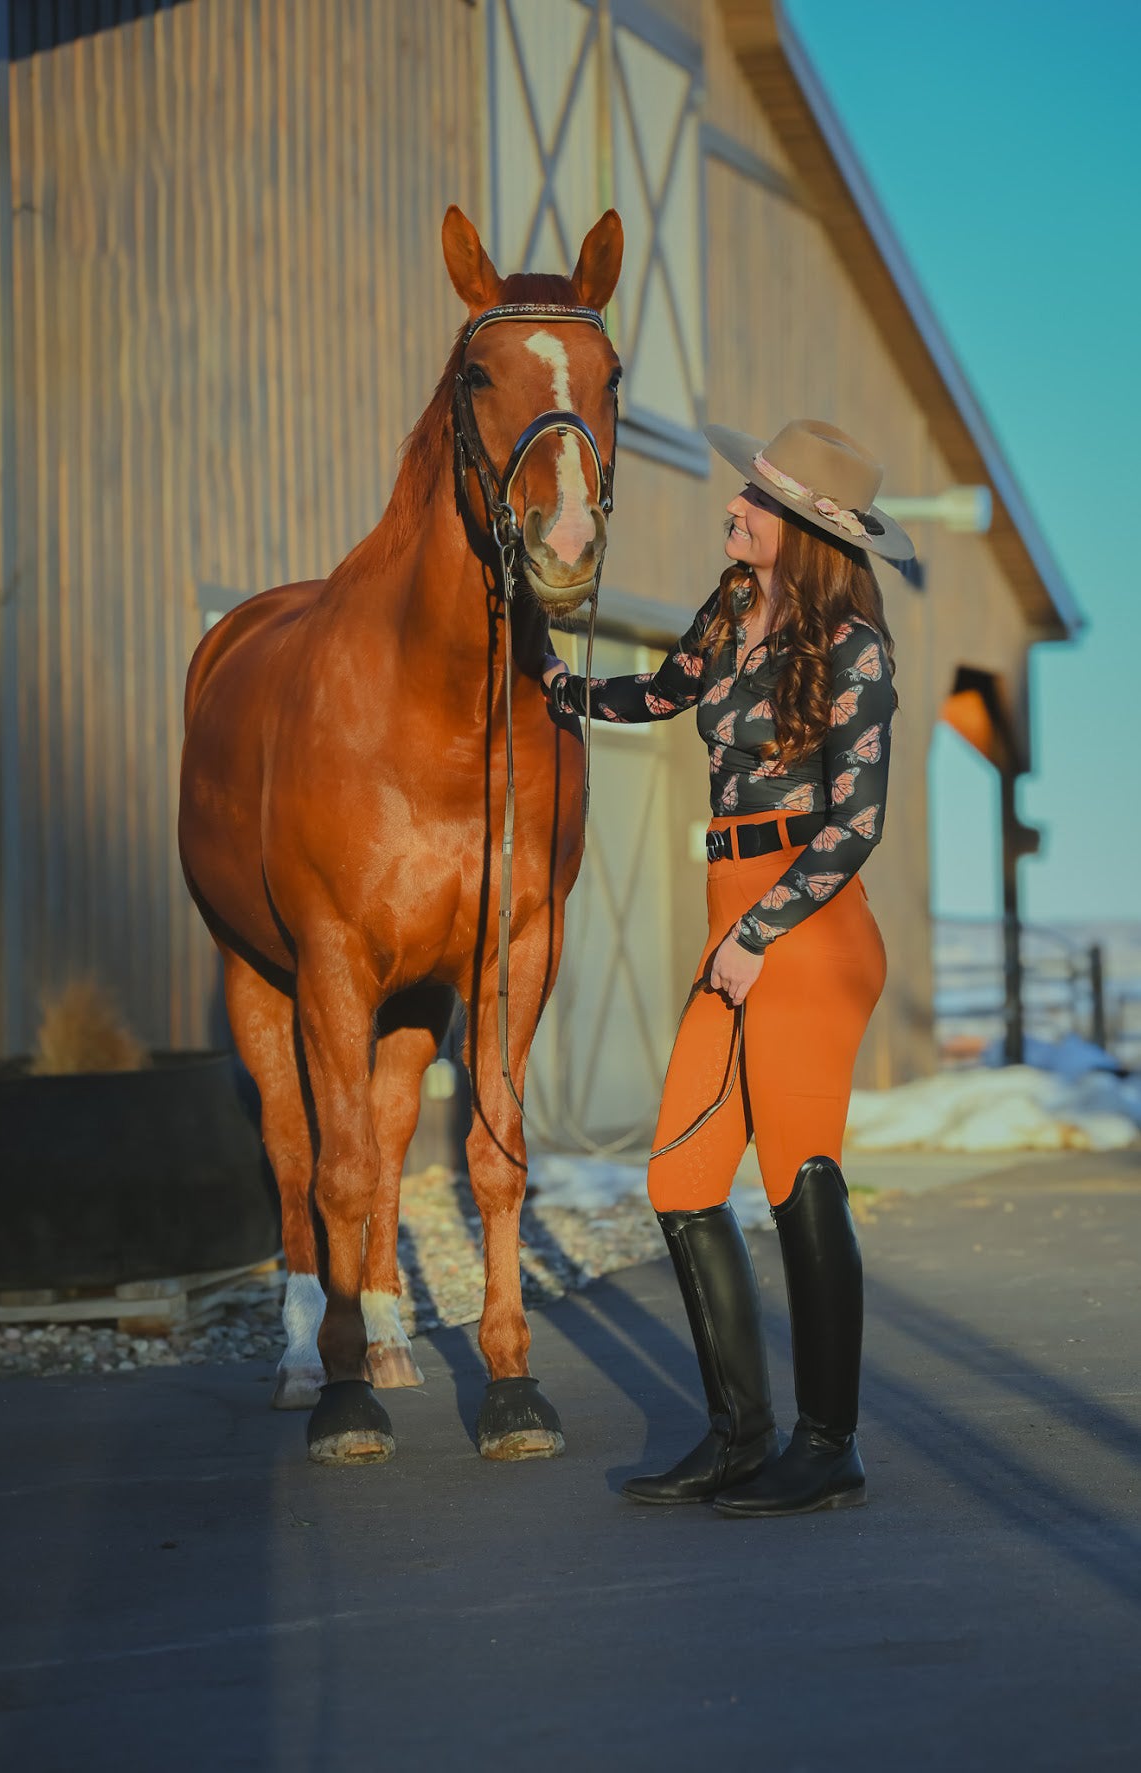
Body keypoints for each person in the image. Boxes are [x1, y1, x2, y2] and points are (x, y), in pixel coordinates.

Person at [542, 419, 915, 1517]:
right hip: (732, 911)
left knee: (802, 1170)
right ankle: (738, 1436)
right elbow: (664, 697)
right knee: (681, 1176)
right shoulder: (732, 609)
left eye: (754, 499)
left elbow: (858, 824)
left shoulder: (855, 647)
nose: (733, 506)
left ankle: (829, 1443)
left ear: (800, 528)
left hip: (809, 925)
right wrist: (559, 688)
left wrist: (759, 937)